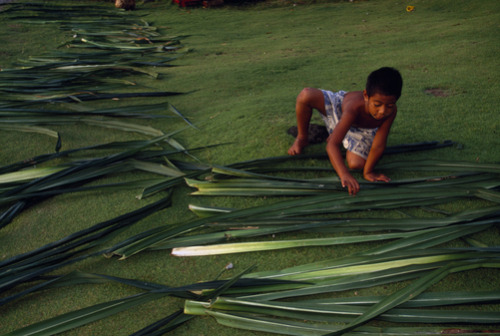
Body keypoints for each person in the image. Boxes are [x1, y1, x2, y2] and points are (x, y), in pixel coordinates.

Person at [288, 67, 403, 196]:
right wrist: (344, 174)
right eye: (377, 105)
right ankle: (302, 137)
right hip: (339, 111)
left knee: (356, 164)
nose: (382, 111)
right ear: (366, 95)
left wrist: (368, 172)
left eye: (389, 105)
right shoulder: (354, 107)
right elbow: (331, 145)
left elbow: (378, 145)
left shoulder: (391, 112)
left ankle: (339, 134)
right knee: (306, 94)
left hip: (362, 130)